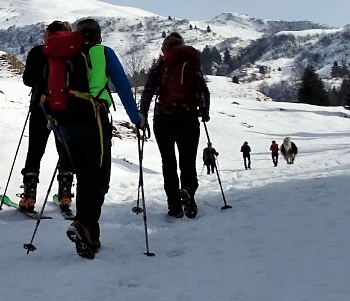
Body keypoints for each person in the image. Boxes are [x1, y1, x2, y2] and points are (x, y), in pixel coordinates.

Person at [41, 17, 141, 258]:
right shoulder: (103, 52)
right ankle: (81, 224)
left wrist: (57, 129)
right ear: (98, 36)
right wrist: (136, 119)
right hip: (93, 117)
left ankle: (90, 235)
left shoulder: (58, 55)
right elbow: (123, 87)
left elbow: (45, 95)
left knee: (85, 176)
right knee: (99, 178)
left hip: (64, 121)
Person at [139, 32, 211, 219]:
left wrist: (143, 113)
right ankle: (187, 190)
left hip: (163, 119)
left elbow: (148, 90)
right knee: (188, 162)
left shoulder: (161, 65)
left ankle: (174, 207)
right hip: (188, 119)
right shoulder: (191, 64)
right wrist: (204, 112)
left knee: (168, 163)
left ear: (165, 49)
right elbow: (204, 90)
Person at [17, 20, 75, 216]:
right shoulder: (74, 52)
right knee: (65, 151)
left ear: (48, 33)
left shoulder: (37, 52)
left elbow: (27, 81)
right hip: (67, 109)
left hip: (40, 107)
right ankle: (65, 195)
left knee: (35, 150)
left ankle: (29, 196)